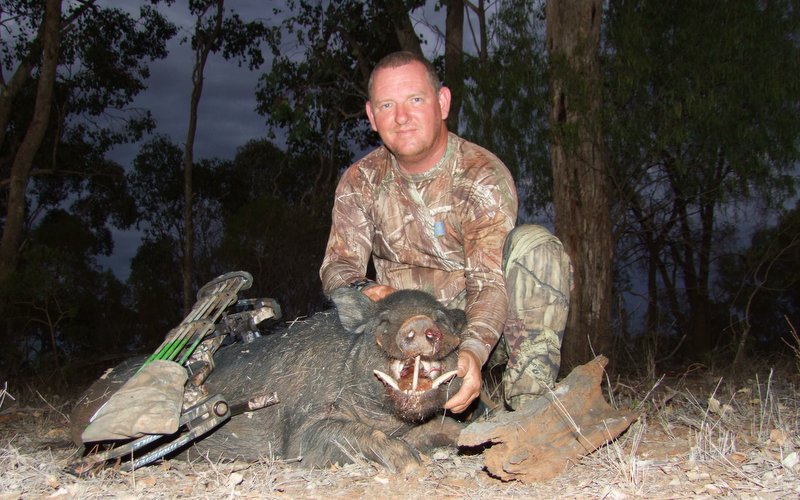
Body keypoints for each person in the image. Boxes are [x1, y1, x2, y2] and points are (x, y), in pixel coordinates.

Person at [320, 51, 572, 412]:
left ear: (442, 103)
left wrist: (470, 350)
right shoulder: (360, 181)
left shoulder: (480, 174)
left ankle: (530, 408)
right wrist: (367, 290)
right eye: (387, 105)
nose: (402, 117)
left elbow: (488, 282)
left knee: (536, 245)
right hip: (398, 326)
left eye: (416, 100)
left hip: (467, 324)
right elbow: (337, 266)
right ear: (372, 117)